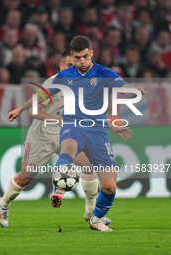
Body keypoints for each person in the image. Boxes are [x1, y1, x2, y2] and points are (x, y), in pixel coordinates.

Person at [0, 51, 132, 228]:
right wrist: (23, 109)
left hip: (67, 133)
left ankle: (91, 214)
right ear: (60, 66)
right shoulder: (54, 83)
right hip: (41, 136)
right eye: (67, 65)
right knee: (26, 177)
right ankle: (3, 203)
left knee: (88, 166)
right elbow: (34, 112)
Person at [49, 36, 144, 232]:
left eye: (85, 56)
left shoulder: (102, 72)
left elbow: (122, 86)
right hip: (73, 127)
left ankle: (96, 219)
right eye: (78, 58)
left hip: (98, 133)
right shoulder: (65, 75)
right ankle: (60, 183)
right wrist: (24, 108)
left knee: (109, 187)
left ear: (91, 53)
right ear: (73, 58)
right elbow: (43, 93)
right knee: (68, 149)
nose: (82, 61)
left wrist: (134, 90)